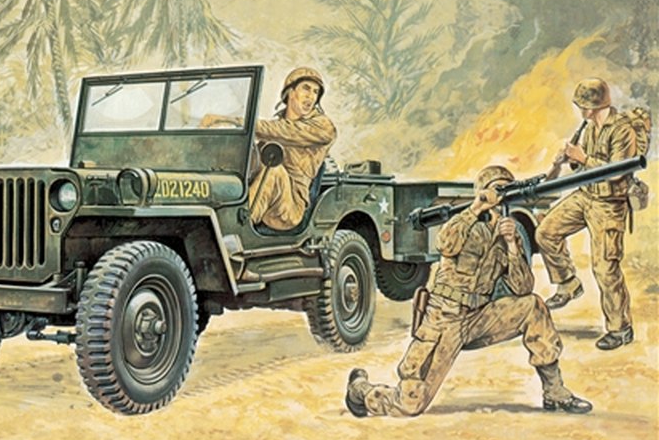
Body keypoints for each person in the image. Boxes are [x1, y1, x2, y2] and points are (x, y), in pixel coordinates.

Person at [345, 165, 593, 417]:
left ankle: (554, 390)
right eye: (496, 188)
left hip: (479, 316)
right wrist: (476, 207)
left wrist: (511, 246)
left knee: (533, 306)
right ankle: (361, 390)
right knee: (410, 404)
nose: (501, 194)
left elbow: (523, 287)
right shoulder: (464, 220)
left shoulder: (507, 231)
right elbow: (445, 243)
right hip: (445, 318)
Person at [535, 78, 637, 351]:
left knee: (605, 268)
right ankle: (568, 283)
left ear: (594, 105)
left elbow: (616, 172)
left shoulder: (623, 130)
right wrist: (569, 161)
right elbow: (585, 170)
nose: (580, 110)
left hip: (609, 203)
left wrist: (582, 157)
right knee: (546, 232)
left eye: (583, 105)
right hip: (586, 196)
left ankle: (620, 329)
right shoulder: (590, 129)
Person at [200, 67, 337, 230]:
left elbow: (284, 131)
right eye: (306, 88)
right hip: (267, 199)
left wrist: (232, 120)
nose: (311, 96)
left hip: (290, 207)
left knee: (274, 170)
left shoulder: (323, 127)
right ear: (290, 92)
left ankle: (239, 227)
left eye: (315, 92)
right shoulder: (275, 127)